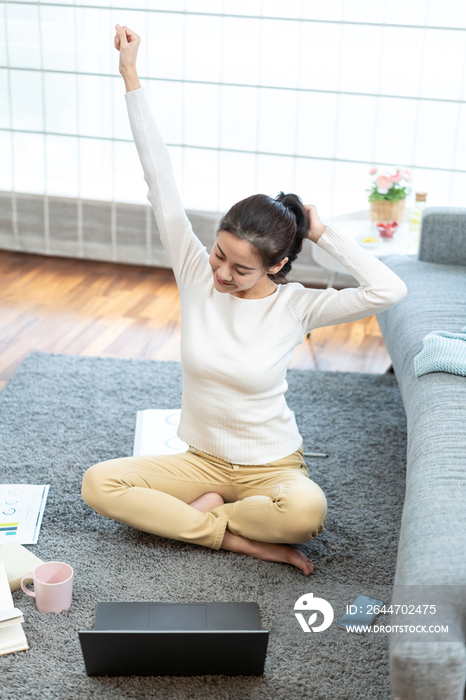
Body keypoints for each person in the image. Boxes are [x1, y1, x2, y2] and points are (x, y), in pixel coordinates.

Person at [81, 25, 408, 576]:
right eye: (218, 255)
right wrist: (130, 75)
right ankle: (232, 535)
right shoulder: (194, 271)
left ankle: (209, 517)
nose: (222, 275)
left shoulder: (297, 306)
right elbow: (159, 179)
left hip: (271, 468)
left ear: (278, 266)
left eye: (240, 268)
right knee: (99, 483)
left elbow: (388, 290)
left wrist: (322, 232)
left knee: (306, 513)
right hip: (200, 461)